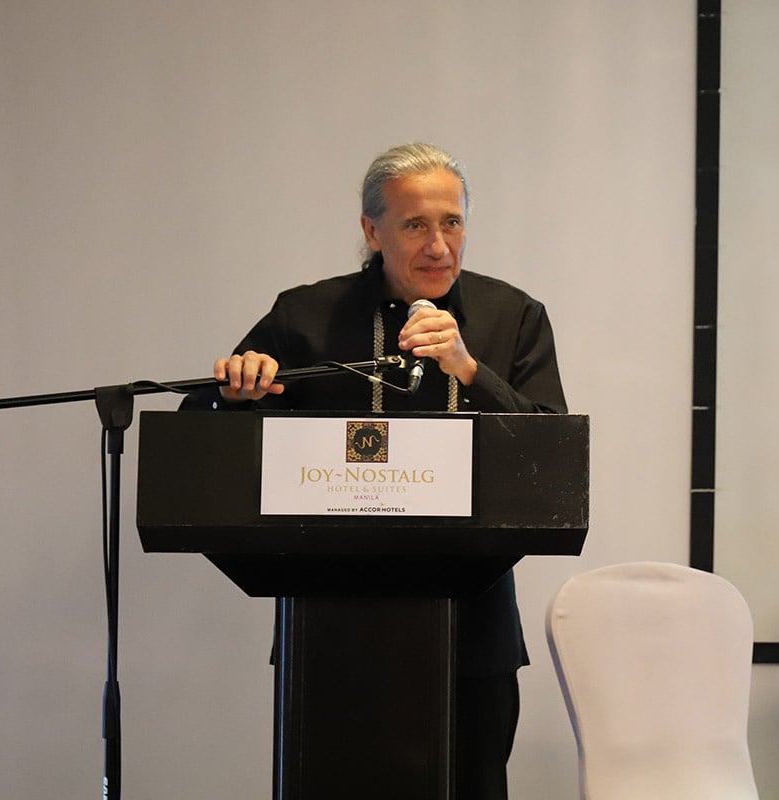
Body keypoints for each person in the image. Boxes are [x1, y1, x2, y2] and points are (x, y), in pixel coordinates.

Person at [183, 142, 566, 799]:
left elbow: (552, 457)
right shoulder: (303, 317)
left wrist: (471, 371)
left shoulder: (514, 316)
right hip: (331, 634)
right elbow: (201, 425)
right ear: (371, 230)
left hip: (472, 634)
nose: (439, 245)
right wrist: (235, 394)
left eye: (452, 222)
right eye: (416, 225)